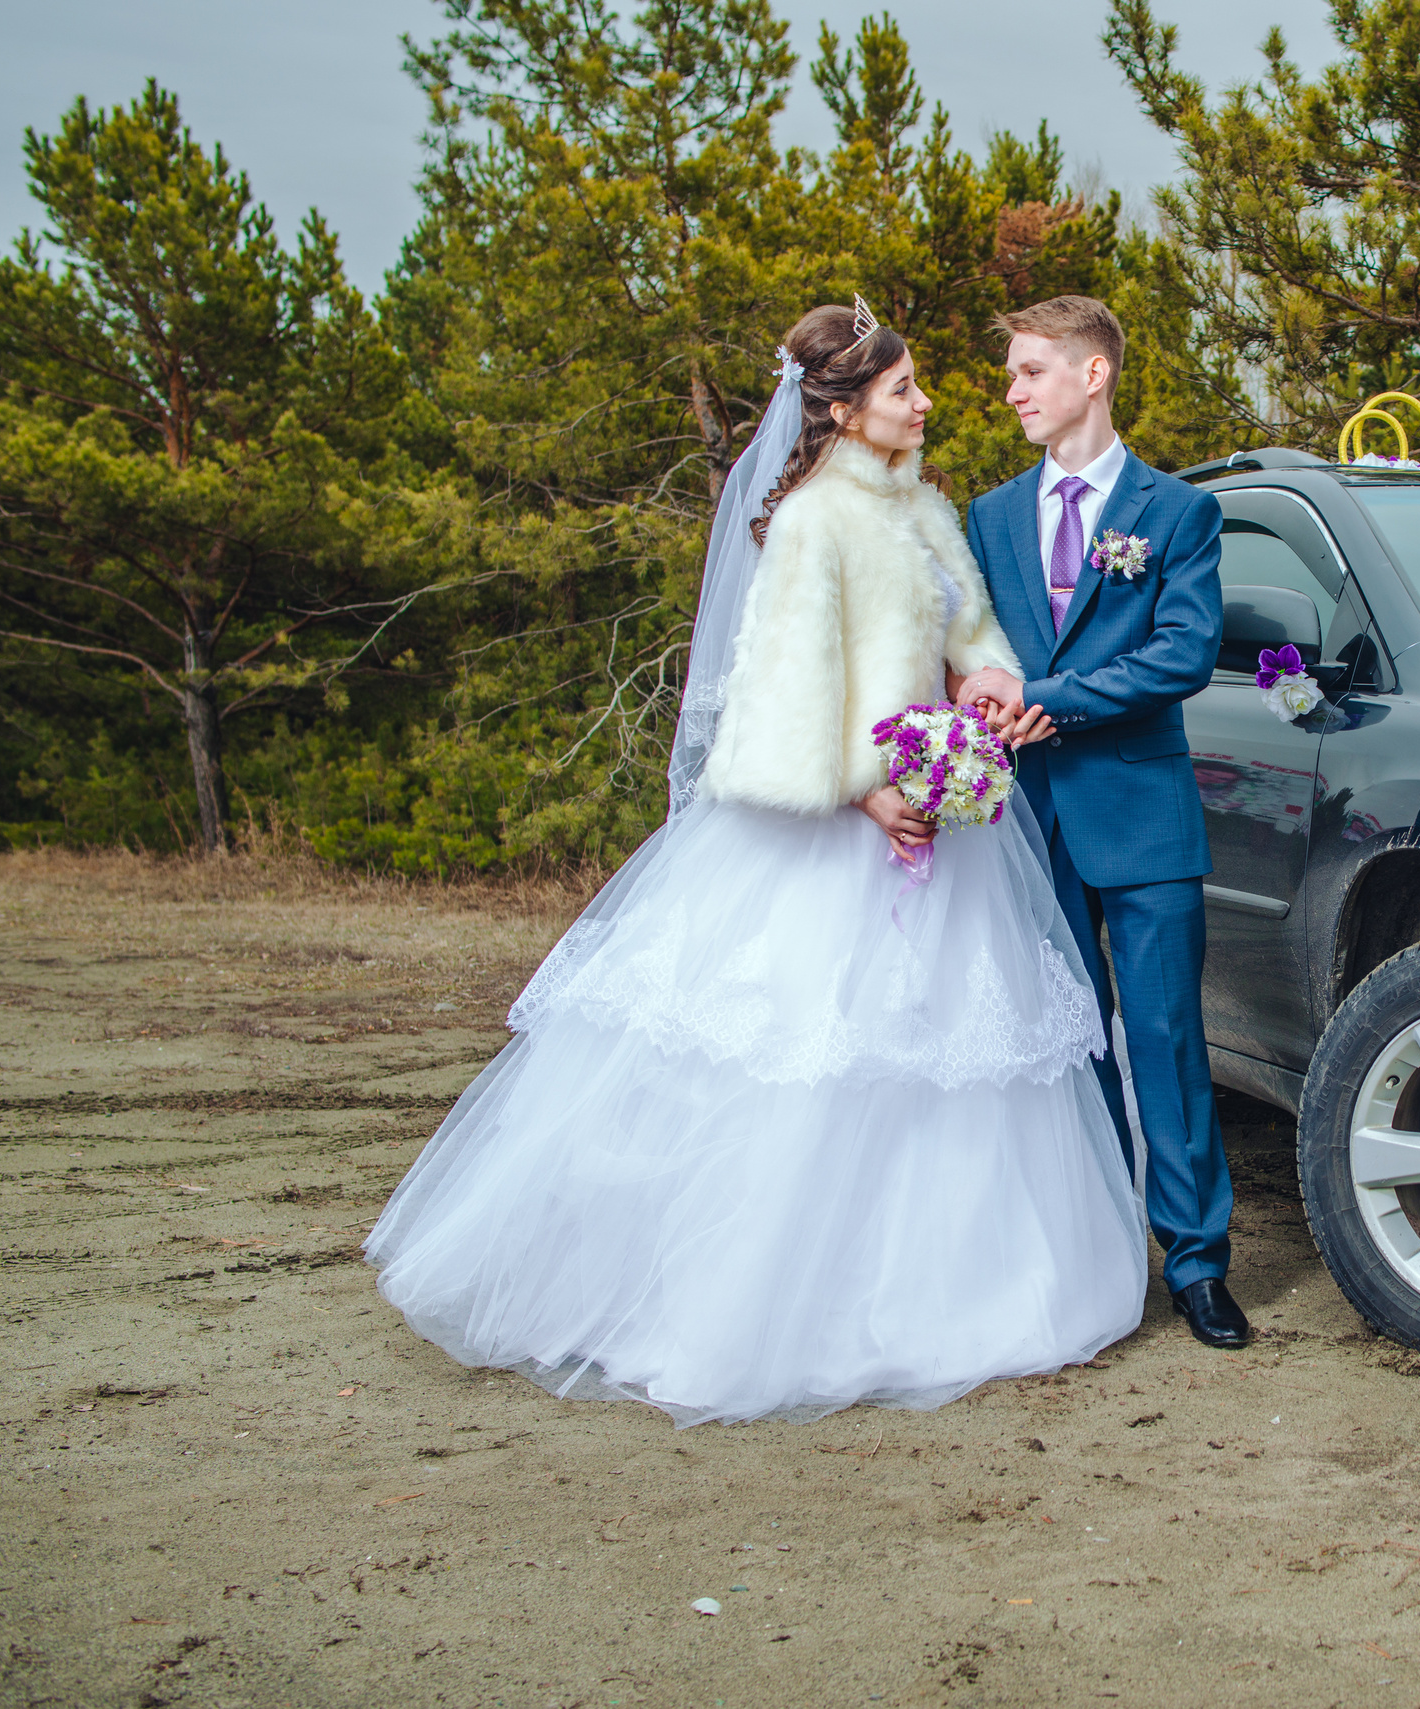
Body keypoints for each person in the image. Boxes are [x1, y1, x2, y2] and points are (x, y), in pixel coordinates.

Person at [363, 300, 1149, 1427]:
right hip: (836, 832)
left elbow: (968, 627)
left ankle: (942, 1290)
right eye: (902, 391)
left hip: (939, 828)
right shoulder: (812, 523)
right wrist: (866, 788)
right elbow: (774, 707)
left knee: (940, 1060)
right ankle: (757, 1308)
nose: (926, 405)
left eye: (918, 386)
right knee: (807, 1059)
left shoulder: (922, 510)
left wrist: (982, 680)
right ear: (838, 407)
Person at [957, 295, 1248, 1350]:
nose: (1012, 389)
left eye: (1031, 370)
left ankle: (1199, 1262)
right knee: (1064, 1043)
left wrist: (1055, 696)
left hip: (1143, 813)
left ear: (1093, 375)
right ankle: (1089, 1254)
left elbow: (1183, 651)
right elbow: (969, 638)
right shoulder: (987, 516)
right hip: (1028, 826)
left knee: (1167, 1039)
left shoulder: (1177, 514)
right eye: (1011, 371)